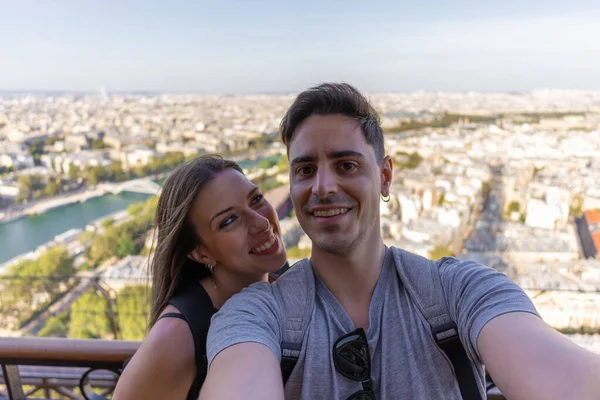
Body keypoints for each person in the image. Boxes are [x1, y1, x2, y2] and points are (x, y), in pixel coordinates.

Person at [200, 83, 600, 400]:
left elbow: (557, 372)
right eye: (305, 169)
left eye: (346, 165)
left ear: (385, 176)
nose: (322, 187)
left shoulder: (461, 291)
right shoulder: (254, 314)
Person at [112, 155, 288, 400]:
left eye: (256, 199)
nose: (261, 222)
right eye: (229, 220)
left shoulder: (284, 280)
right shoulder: (176, 336)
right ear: (200, 252)